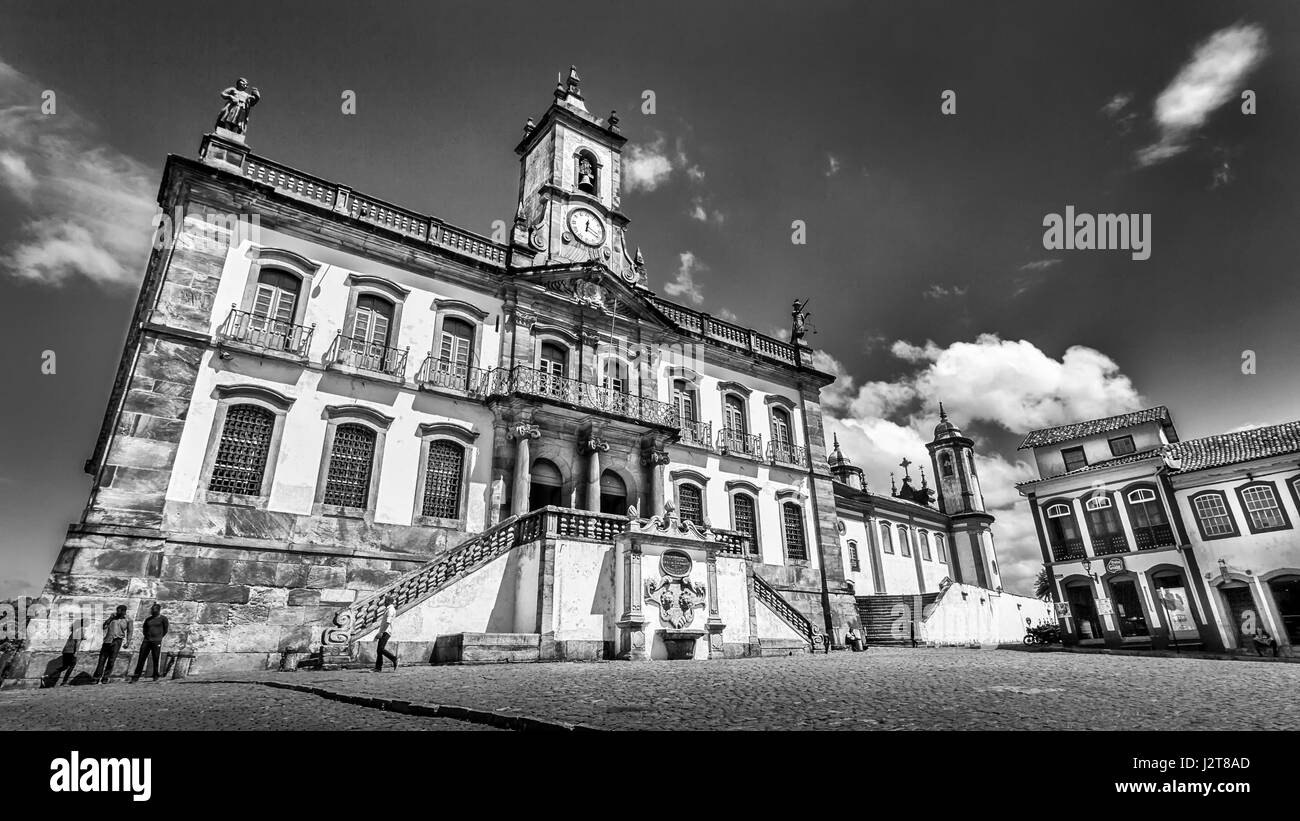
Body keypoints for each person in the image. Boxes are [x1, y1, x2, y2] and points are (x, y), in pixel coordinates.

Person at [92, 605, 132, 684]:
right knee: (101, 660)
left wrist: (128, 642)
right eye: (117, 611)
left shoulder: (128, 620)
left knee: (111, 660)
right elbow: (104, 627)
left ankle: (105, 678)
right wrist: (110, 618)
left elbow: (130, 632)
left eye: (120, 611)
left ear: (124, 611)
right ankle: (96, 677)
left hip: (117, 641)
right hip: (107, 640)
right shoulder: (112, 618)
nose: (118, 613)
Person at [131, 604, 169, 682]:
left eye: (154, 610)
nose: (153, 612)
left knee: (155, 658)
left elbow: (165, 629)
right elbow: (144, 628)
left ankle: (155, 675)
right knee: (141, 658)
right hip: (147, 640)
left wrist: (159, 637)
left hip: (156, 640)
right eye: (152, 610)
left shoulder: (163, 619)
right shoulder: (148, 619)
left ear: (158, 610)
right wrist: (147, 636)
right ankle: (136, 675)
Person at [374, 596, 399, 672]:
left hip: (386, 632)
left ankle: (394, 659)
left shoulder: (390, 610)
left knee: (380, 649)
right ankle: (378, 668)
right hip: (384, 631)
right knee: (379, 650)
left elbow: (388, 622)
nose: (384, 602)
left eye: (385, 601)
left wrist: (381, 632)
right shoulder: (389, 609)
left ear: (388, 602)